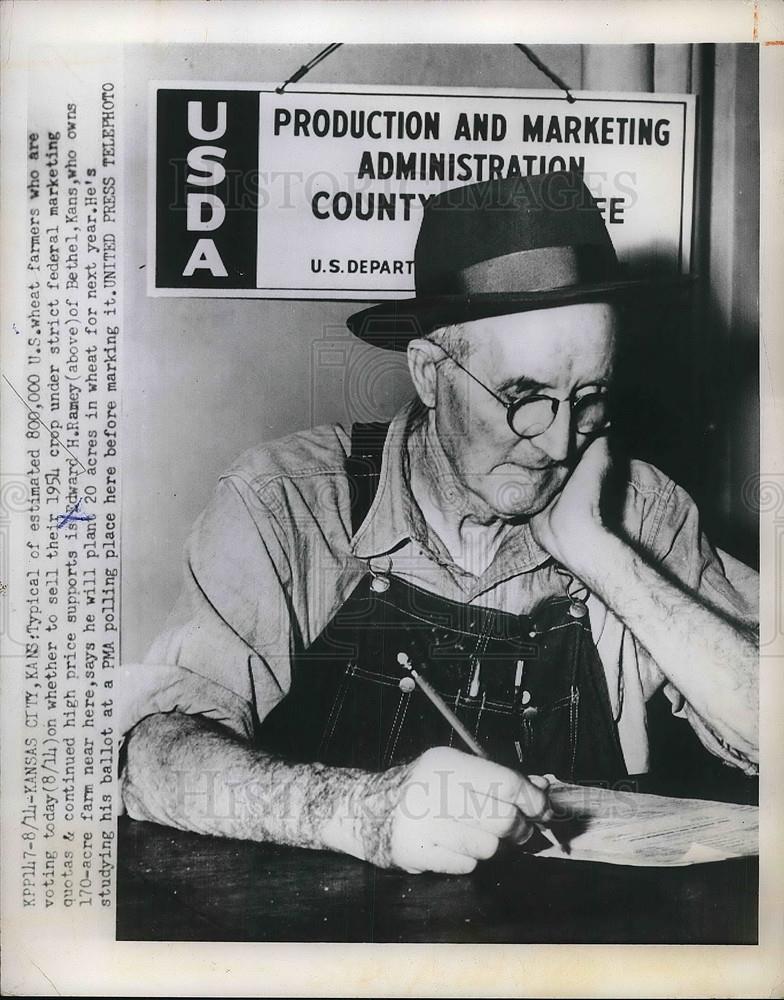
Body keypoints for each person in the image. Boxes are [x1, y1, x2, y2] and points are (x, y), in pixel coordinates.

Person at [120, 171, 758, 876]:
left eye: (589, 400)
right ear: (430, 373)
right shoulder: (289, 503)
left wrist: (604, 556)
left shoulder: (638, 509)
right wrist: (365, 811)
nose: (557, 444)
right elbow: (152, 756)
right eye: (526, 398)